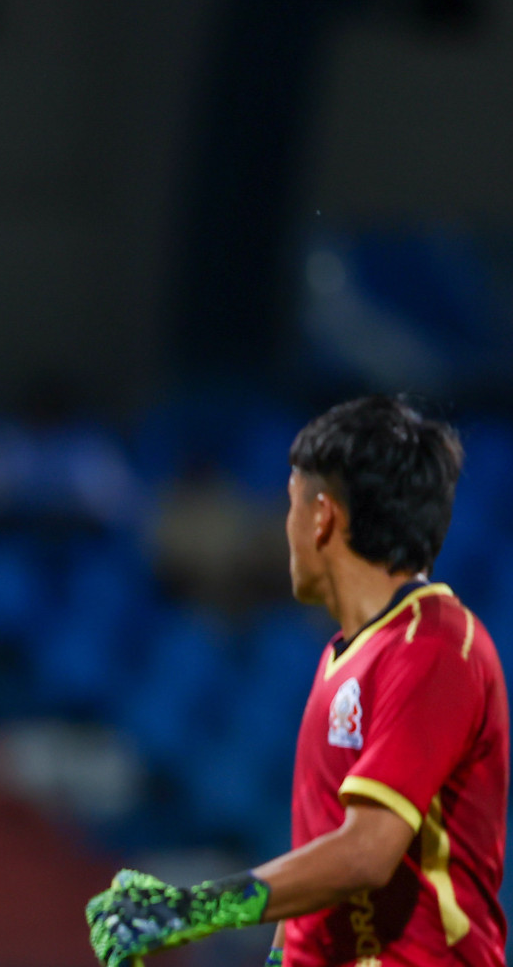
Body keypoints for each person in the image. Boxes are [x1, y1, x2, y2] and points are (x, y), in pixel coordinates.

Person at [87, 395, 507, 967]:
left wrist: (192, 910)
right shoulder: (344, 654)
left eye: (288, 504)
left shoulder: (434, 649)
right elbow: (325, 862)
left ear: (323, 517)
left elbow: (364, 856)